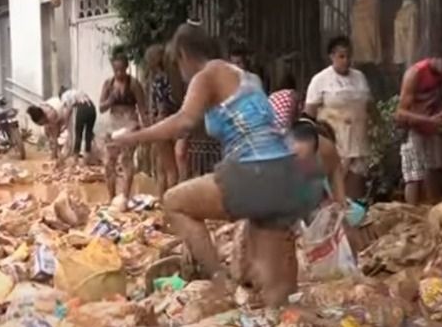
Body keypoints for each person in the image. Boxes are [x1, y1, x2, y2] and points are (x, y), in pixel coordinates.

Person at [110, 21, 321, 307]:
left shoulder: (207, 74)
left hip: (254, 172)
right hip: (284, 176)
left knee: (174, 202)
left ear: (184, 55)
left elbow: (184, 122)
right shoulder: (246, 77)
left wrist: (133, 138)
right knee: (276, 295)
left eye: (177, 64)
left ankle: (220, 283)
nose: (181, 74)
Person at [304, 36, 373, 198]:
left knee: (356, 190)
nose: (346, 60)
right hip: (335, 143)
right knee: (336, 190)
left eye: (348, 56)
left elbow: (369, 106)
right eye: (341, 56)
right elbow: (309, 114)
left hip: (358, 141)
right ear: (332, 56)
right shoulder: (320, 80)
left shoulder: (359, 78)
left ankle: (354, 212)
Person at [394, 44, 442, 204]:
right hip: (411, 129)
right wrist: (429, 120)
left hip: (429, 131)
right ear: (436, 58)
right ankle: (410, 210)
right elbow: (401, 113)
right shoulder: (416, 73)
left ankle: (428, 208)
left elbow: (439, 101)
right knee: (414, 176)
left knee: (430, 172)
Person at [99, 52, 146, 199]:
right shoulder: (108, 84)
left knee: (126, 160)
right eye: (116, 70)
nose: (119, 73)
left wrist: (146, 130)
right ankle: (112, 197)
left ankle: (124, 197)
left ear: (126, 67)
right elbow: (101, 108)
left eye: (121, 70)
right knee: (109, 162)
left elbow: (142, 108)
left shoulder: (134, 84)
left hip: (130, 123)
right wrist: (110, 100)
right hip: (113, 123)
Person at [145, 44, 180, 194]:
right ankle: (169, 200)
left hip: (161, 122)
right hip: (174, 120)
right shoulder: (172, 79)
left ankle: (162, 200)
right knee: (172, 169)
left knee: (163, 168)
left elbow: (159, 106)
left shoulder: (156, 80)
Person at [26, 87, 96, 162]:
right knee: (88, 134)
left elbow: (68, 109)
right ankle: (88, 157)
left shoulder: (64, 97)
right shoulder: (73, 93)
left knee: (78, 134)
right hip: (92, 108)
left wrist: (65, 123)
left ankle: (75, 159)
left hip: (82, 108)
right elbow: (69, 110)